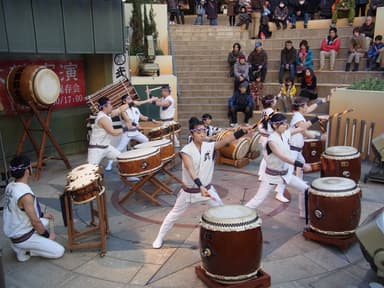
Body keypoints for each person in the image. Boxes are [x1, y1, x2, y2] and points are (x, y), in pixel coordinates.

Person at [152, 117, 249, 248]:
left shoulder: (209, 146)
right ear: (192, 133)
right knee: (173, 215)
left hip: (207, 190)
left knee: (221, 210)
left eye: (203, 130)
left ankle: (227, 237)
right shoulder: (186, 150)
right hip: (189, 192)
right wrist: (200, 186)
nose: (202, 134)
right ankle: (160, 237)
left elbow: (226, 140)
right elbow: (191, 170)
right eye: (198, 131)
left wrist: (241, 132)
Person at [245, 113, 325, 216]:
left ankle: (306, 214)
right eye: (283, 124)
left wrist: (316, 118)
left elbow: (301, 128)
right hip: (271, 177)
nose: (285, 125)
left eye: (286, 123)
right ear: (275, 125)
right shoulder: (271, 141)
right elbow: (283, 157)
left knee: (305, 188)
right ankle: (240, 214)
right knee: (257, 200)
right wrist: (301, 165)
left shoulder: (285, 133)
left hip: (286, 175)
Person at [3, 155, 65, 262]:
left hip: (15, 232)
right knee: (59, 251)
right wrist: (48, 237)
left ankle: (21, 246)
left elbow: (21, 210)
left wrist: (42, 215)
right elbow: (35, 222)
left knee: (46, 220)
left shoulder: (11, 186)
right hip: (23, 236)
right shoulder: (25, 195)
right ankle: (24, 250)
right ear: (27, 171)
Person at [105, 95, 153, 172]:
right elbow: (128, 121)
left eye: (131, 98)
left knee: (146, 141)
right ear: (124, 101)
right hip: (127, 133)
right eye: (128, 99)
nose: (130, 100)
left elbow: (142, 117)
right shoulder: (123, 110)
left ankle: (146, 158)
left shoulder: (135, 109)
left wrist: (152, 120)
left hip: (136, 132)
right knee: (119, 149)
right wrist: (136, 125)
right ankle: (109, 163)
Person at [255, 95, 288, 203]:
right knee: (269, 158)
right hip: (269, 137)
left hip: (265, 136)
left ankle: (261, 175)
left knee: (266, 158)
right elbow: (269, 126)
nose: (275, 101)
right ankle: (265, 177)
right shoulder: (272, 112)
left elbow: (261, 125)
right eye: (274, 100)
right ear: (271, 102)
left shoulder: (265, 110)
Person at [290, 97, 328, 179]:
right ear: (300, 107)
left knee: (300, 166)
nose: (307, 106)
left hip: (297, 150)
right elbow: (303, 130)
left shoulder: (298, 113)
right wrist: (320, 137)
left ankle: (300, 186)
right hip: (292, 150)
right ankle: (282, 188)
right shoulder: (297, 117)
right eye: (306, 105)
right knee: (287, 171)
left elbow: (310, 108)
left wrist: (321, 101)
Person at [87, 96, 129, 166]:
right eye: (110, 104)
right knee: (90, 171)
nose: (112, 106)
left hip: (107, 147)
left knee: (123, 161)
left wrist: (131, 104)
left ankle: (129, 176)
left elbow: (119, 110)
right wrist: (126, 128)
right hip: (96, 149)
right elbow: (113, 132)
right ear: (105, 106)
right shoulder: (103, 118)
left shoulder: (107, 114)